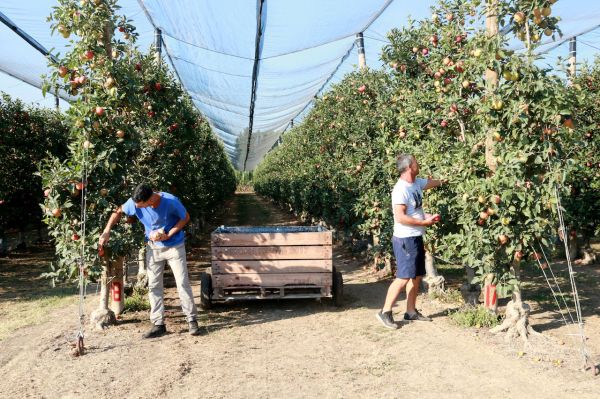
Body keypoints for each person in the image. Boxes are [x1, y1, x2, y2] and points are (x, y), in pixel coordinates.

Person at [99, 183, 200, 338]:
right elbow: (118, 211)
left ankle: (192, 320)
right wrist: (107, 231)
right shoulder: (135, 203)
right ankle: (158, 324)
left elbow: (185, 217)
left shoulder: (170, 201)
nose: (137, 209)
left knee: (182, 283)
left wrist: (169, 233)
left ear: (150, 199)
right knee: (153, 285)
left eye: (141, 206)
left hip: (174, 247)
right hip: (153, 248)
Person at [376, 154, 446, 329]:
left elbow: (430, 183)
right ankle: (385, 312)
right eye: (416, 162)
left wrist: (446, 179)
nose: (418, 163)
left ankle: (411, 311)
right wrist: (424, 222)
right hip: (405, 238)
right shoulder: (400, 190)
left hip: (415, 236)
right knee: (403, 277)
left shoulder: (416, 183)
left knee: (415, 277)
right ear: (409, 167)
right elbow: (400, 217)